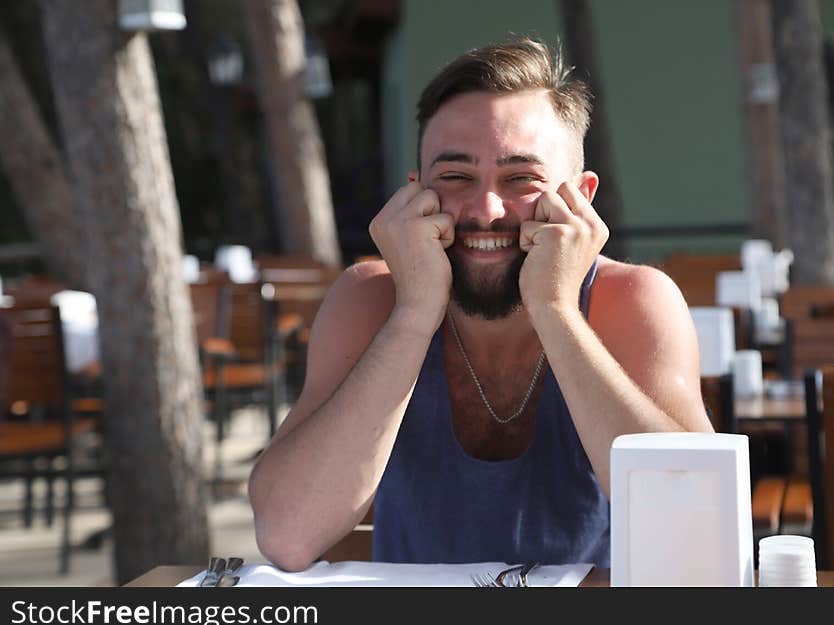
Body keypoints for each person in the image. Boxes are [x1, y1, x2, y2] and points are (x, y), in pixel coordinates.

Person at [248, 37, 713, 571]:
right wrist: (414, 314)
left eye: (521, 179)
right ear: (415, 193)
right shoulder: (369, 300)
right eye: (454, 178)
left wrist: (557, 310)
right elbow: (286, 534)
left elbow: (696, 524)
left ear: (580, 197)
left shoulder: (633, 301)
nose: (486, 210)